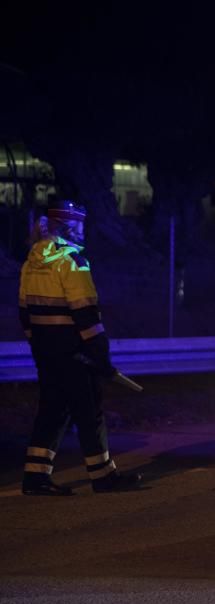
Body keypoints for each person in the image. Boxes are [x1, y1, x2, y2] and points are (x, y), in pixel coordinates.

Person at [18, 201, 143, 496]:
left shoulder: (30, 262)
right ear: (71, 227)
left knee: (52, 411)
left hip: (46, 353)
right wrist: (101, 357)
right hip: (77, 353)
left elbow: (25, 314)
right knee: (89, 413)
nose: (84, 230)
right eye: (81, 225)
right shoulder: (73, 262)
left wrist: (38, 347)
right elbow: (87, 315)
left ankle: (35, 478)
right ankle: (103, 476)